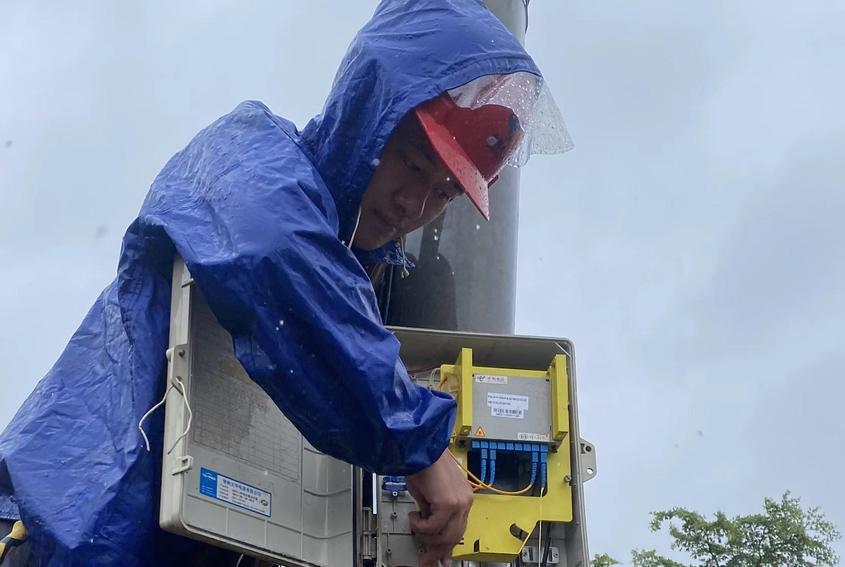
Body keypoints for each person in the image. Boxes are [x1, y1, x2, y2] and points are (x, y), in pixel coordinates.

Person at [0, 1, 570, 566]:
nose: (413, 204)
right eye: (414, 165)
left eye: (444, 193)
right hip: (59, 528)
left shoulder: (358, 286)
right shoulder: (250, 153)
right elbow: (270, 246)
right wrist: (421, 447)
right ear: (368, 118)